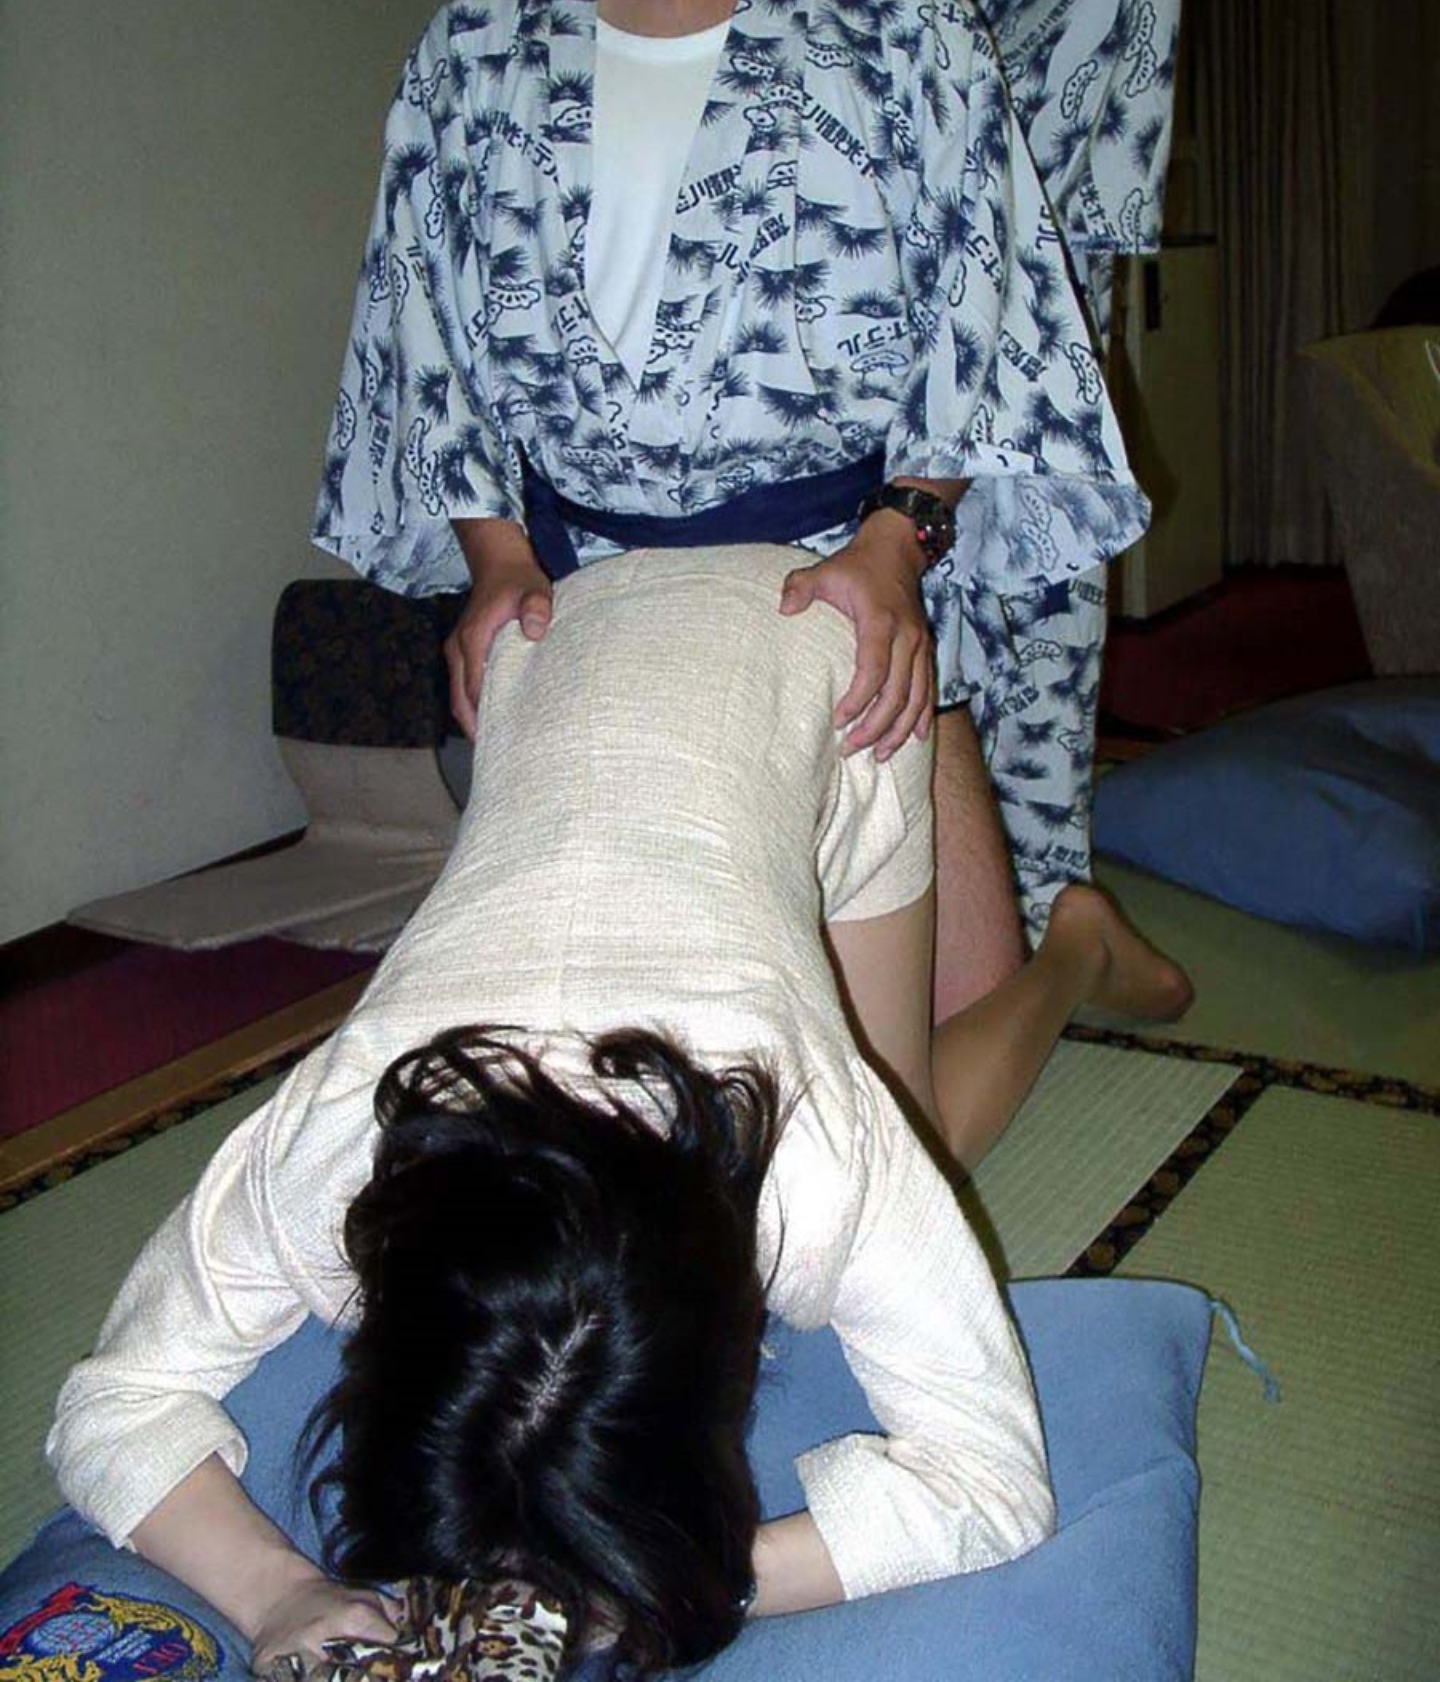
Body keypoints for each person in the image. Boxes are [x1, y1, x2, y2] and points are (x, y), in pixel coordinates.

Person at [43, 546, 1190, 1678]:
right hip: (559, 642)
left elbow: (994, 1488)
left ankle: (1076, 949)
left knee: (929, 1138)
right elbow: (107, 1407)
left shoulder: (822, 1160)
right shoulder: (328, 1157)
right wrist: (278, 1593)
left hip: (824, 671)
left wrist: (674, 1578)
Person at [311, 0, 1158, 1022]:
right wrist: (494, 562)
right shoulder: (476, 52)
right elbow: (425, 343)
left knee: (930, 1077)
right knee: (621, 1042)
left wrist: (898, 544)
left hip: (849, 595)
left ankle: (1076, 942)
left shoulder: (909, 29)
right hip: (591, 612)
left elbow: (986, 327)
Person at [800, 0, 1204, 956]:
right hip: (850, 202)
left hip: (1041, 192)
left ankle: (1048, 910)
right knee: (868, 571)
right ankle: (994, 918)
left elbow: (1103, 6)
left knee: (1021, 567)